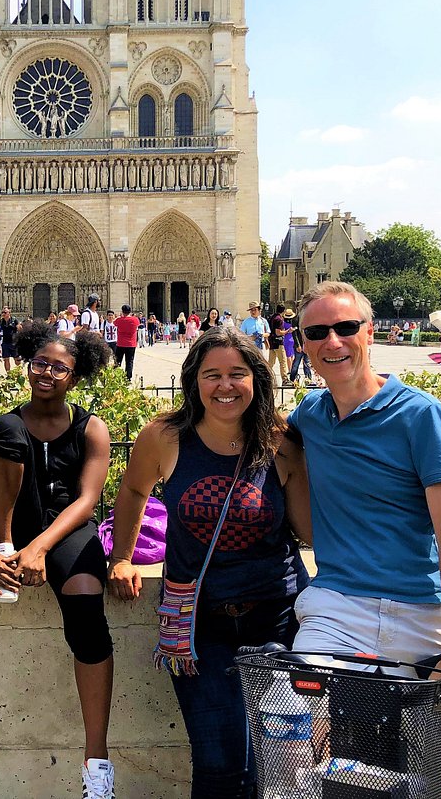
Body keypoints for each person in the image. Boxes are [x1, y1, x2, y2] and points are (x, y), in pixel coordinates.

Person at [286, 281, 441, 799]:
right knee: (289, 750)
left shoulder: (421, 416)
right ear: (302, 343)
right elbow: (264, 436)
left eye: (346, 328)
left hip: (422, 612)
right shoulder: (311, 415)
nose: (333, 341)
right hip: (338, 608)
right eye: (317, 332)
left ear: (368, 332)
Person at [108, 327, 311, 799]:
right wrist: (121, 556)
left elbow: (307, 530)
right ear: (193, 381)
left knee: (283, 767)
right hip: (199, 622)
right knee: (219, 767)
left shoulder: (279, 440)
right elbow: (134, 490)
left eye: (237, 374)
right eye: (212, 374)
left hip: (277, 617)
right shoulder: (165, 436)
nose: (225, 385)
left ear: (256, 380)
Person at [0, 321, 116, 798]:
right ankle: (6, 552)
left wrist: (41, 548)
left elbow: (86, 502)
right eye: (40, 363)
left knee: (88, 606)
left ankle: (97, 762)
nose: (47, 372)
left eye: (60, 367)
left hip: (64, 528)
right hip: (12, 531)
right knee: (4, 433)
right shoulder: (6, 425)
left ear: (77, 376)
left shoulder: (91, 428)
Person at [114, 304, 140, 381]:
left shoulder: (119, 320)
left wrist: (120, 316)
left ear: (122, 311)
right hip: (131, 344)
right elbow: (138, 326)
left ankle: (115, 376)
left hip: (121, 343)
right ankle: (128, 378)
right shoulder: (135, 320)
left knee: (118, 361)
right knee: (129, 361)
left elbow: (114, 323)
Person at [0, 306, 20, 372]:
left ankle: (18, 372)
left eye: (5, 312)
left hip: (13, 342)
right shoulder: (0, 321)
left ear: (9, 313)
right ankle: (8, 374)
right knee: (6, 359)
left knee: (17, 360)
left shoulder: (14, 320)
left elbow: (19, 328)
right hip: (5, 342)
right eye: (2, 312)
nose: (3, 314)